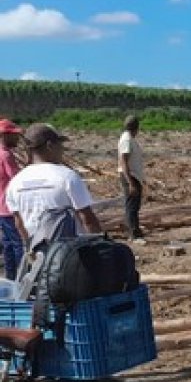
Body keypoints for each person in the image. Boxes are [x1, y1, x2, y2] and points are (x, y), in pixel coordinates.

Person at [5, 124, 100, 258]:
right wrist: (99, 249)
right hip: (72, 258)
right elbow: (87, 219)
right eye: (60, 144)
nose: (62, 149)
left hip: (40, 261)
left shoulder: (15, 183)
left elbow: (19, 224)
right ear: (50, 145)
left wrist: (30, 250)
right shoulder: (67, 177)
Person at [0, 119, 24, 280]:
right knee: (19, 244)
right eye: (13, 136)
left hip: (1, 207)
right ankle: (22, 278)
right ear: (4, 135)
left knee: (8, 244)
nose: (17, 139)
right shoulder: (6, 155)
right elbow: (17, 178)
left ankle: (10, 277)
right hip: (9, 207)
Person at [117, 114, 147, 242]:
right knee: (131, 206)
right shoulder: (126, 140)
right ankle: (133, 233)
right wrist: (130, 183)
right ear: (136, 128)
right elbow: (123, 161)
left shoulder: (129, 139)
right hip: (130, 176)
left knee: (135, 205)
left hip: (134, 175)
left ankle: (136, 230)